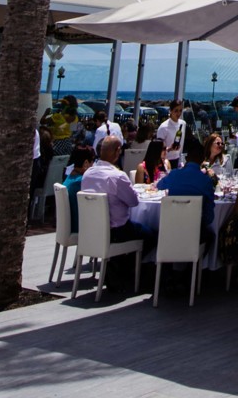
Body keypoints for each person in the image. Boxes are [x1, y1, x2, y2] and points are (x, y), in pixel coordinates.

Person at [79, 136, 145, 285]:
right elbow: (133, 201)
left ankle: (117, 265)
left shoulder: (88, 174)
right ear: (117, 152)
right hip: (117, 231)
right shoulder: (117, 176)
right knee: (151, 234)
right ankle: (126, 270)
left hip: (91, 230)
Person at [154, 154, 219, 249]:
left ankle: (167, 260)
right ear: (202, 160)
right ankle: (194, 263)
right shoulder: (205, 181)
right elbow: (209, 217)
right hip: (194, 232)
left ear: (187, 158)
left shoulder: (174, 174)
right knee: (211, 236)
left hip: (170, 229)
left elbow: (159, 185)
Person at [154, 100, 185, 167]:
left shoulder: (183, 124)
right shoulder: (163, 127)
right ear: (170, 111)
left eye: (180, 110)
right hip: (166, 161)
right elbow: (158, 149)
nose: (178, 113)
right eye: (176, 111)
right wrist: (170, 148)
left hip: (178, 159)